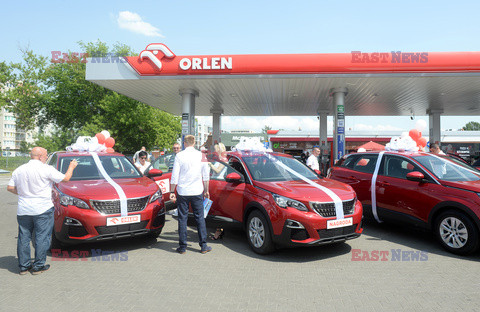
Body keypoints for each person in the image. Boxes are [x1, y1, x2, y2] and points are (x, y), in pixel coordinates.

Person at [7, 147, 77, 275]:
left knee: (24, 237)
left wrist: (23, 193)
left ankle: (24, 266)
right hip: (42, 209)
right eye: (45, 156)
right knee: (42, 237)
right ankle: (38, 266)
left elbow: (10, 187)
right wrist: (71, 166)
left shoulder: (19, 170)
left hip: (24, 210)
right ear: (39, 156)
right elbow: (66, 178)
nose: (46, 158)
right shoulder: (46, 169)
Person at [169, 135, 212, 254]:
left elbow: (174, 176)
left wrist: (172, 191)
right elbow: (206, 175)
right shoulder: (202, 155)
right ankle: (203, 246)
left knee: (182, 218)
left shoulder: (179, 156)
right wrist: (207, 190)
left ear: (184, 143)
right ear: (194, 143)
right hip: (197, 190)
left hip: (183, 191)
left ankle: (182, 247)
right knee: (200, 217)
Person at [208, 143, 227, 240]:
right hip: (214, 184)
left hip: (219, 185)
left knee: (216, 208)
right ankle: (218, 229)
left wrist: (210, 164)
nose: (215, 152)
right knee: (213, 207)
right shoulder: (219, 159)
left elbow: (218, 171)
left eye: (216, 150)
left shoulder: (223, 160)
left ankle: (219, 230)